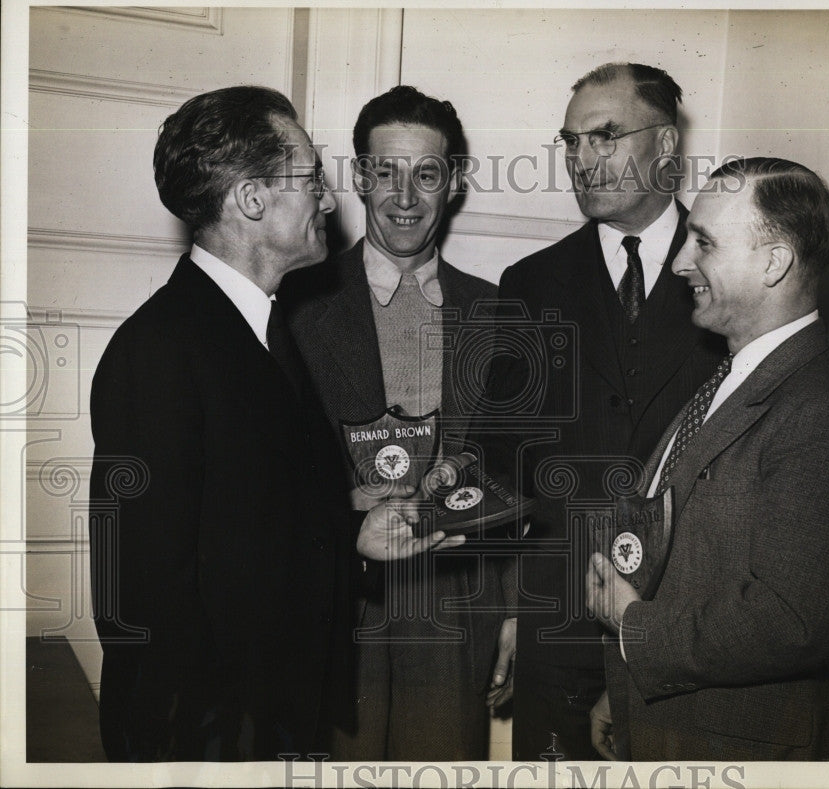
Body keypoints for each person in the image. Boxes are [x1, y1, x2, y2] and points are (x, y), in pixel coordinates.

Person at [88, 85, 459, 762]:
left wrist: (354, 536)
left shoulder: (263, 332)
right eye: (313, 180)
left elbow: (242, 536)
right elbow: (141, 605)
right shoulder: (161, 351)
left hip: (273, 730)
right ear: (253, 200)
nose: (327, 200)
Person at [586, 157, 829, 760]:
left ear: (774, 262)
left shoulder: (827, 414)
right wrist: (625, 691)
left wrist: (634, 630)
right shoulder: (731, 376)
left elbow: (788, 622)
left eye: (702, 242)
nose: (678, 263)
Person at [471, 63, 725, 760]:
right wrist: (520, 607)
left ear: (667, 145)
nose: (583, 160)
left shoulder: (728, 276)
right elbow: (500, 462)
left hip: (689, 632)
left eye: (606, 136)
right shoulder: (531, 283)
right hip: (562, 634)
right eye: (572, 143)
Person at [286, 85, 506, 760]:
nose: (405, 197)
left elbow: (523, 468)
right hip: (335, 605)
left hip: (457, 607)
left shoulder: (499, 312)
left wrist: (522, 612)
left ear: (454, 183)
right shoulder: (295, 305)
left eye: (427, 174)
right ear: (358, 176)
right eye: (386, 172)